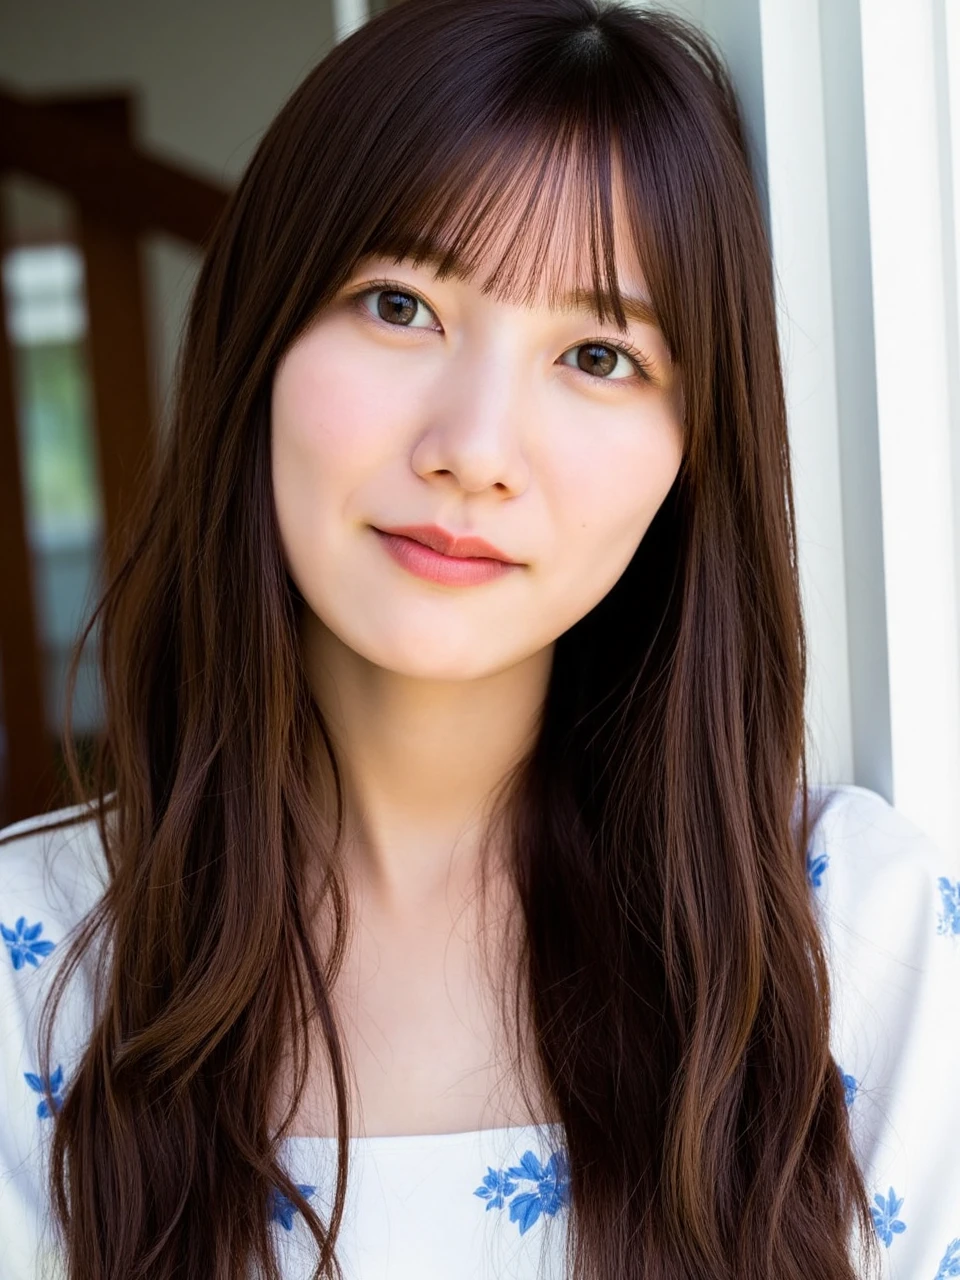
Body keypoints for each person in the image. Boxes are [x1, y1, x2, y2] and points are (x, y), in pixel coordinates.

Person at [1, 0, 958, 1276]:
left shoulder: (852, 941)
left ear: (690, 453)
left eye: (600, 354)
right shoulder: (34, 964)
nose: (476, 448)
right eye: (400, 304)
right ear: (259, 337)